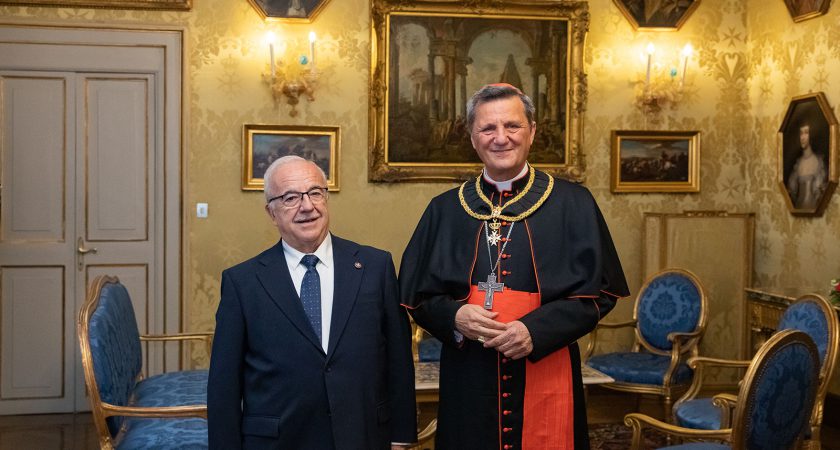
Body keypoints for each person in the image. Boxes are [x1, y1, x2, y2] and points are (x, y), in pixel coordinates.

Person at [400, 84, 629, 450]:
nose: (500, 138)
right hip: (469, 373)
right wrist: (455, 317)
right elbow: (417, 297)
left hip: (547, 361)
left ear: (532, 131)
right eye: (488, 129)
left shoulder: (574, 203)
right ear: (471, 138)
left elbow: (601, 292)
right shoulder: (444, 210)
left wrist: (535, 330)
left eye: (512, 126)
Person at [208, 156, 417, 449]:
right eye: (291, 197)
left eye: (315, 192)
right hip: (278, 441)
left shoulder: (375, 267)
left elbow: (398, 361)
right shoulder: (242, 282)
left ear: (326, 199)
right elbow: (224, 386)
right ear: (272, 212)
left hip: (363, 436)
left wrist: (402, 438)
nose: (307, 206)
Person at [787, 123, 827, 210]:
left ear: (811, 135)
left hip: (815, 213)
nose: (803, 137)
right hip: (798, 211)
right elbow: (792, 192)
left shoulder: (818, 161)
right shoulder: (798, 164)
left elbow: (820, 193)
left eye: (806, 133)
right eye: (801, 133)